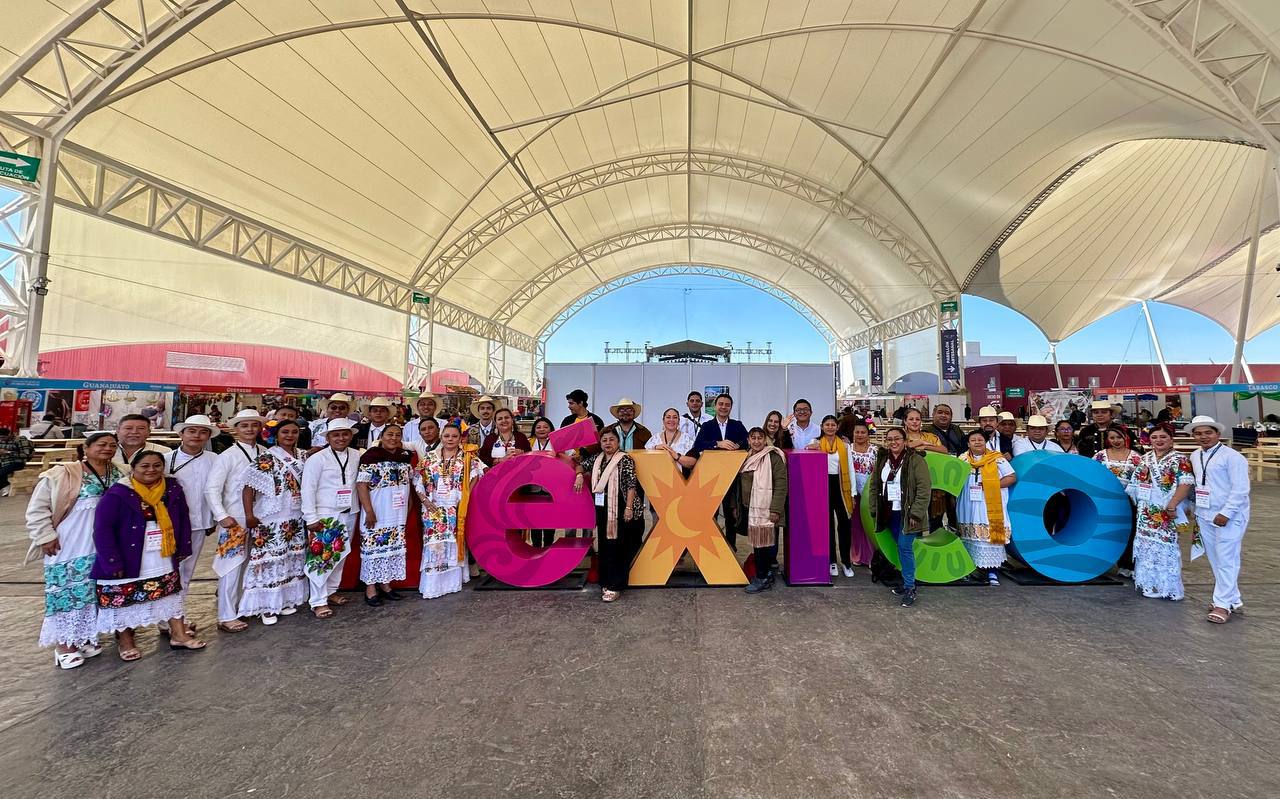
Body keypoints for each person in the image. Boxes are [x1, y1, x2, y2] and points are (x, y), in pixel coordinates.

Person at [92, 450, 206, 660]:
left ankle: (178, 635)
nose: (151, 470)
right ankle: (126, 642)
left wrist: (184, 546)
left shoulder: (171, 488)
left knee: (170, 592)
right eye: (145, 466)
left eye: (157, 465)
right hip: (130, 552)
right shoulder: (118, 493)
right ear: (133, 468)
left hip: (162, 552)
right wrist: (112, 561)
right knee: (123, 597)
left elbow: (183, 517)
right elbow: (103, 529)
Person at [25, 430, 122, 669]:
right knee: (66, 591)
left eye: (112, 445)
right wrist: (45, 536)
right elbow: (38, 508)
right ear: (86, 448)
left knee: (92, 591)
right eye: (101, 444)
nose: (107, 449)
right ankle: (64, 645)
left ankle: (83, 637)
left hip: (102, 542)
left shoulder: (119, 472)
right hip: (69, 541)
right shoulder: (62, 473)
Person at [239, 419, 309, 625]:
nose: (290, 435)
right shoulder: (266, 457)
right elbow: (248, 488)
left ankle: (283, 600)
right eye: (285, 432)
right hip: (271, 517)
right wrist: (249, 515)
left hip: (295, 515)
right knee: (269, 559)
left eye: (294, 432)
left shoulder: (303, 456)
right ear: (276, 435)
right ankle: (266, 607)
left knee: (288, 558)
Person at [204, 408, 268, 633]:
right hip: (235, 518)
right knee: (231, 566)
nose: (250, 429)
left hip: (260, 517)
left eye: (254, 425)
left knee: (252, 563)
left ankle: (243, 605)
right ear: (236, 429)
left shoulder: (264, 452)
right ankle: (226, 615)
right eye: (244, 425)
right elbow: (212, 489)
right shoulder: (228, 456)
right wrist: (221, 516)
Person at [1187, 415, 1250, 623]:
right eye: (1198, 433)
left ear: (1218, 434)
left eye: (1208, 432)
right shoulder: (1195, 455)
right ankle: (1233, 599)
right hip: (1204, 513)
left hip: (1229, 516)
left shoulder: (1233, 457)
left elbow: (1241, 489)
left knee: (1227, 559)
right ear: (1193, 436)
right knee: (1216, 559)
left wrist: (1226, 513)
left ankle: (1222, 605)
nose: (1203, 437)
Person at [164, 414, 219, 638]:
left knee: (186, 572)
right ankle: (167, 618)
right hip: (169, 525)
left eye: (202, 432)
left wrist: (213, 518)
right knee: (166, 571)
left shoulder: (214, 459)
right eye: (192, 431)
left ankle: (176, 618)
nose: (197, 436)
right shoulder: (165, 459)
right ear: (181, 434)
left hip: (198, 523)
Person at [415, 423, 485, 598]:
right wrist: (424, 500)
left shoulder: (467, 457)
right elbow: (417, 480)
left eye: (454, 436)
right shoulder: (430, 457)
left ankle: (451, 583)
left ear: (460, 438)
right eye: (447, 436)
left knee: (453, 543)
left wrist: (465, 497)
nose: (450, 439)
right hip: (432, 508)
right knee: (434, 545)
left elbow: (478, 474)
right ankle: (433, 585)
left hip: (455, 508)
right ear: (441, 437)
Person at [1125, 422, 1193, 601]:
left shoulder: (1180, 459)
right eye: (1154, 437)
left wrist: (1173, 504)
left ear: (1171, 439)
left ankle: (1168, 587)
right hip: (1146, 509)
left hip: (1166, 510)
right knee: (1146, 546)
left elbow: (1185, 483)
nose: (1158, 440)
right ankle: (1149, 583)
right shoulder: (1145, 458)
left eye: (1163, 437)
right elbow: (1134, 483)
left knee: (1166, 546)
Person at [300, 418, 361, 618]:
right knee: (321, 557)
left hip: (350, 512)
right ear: (328, 438)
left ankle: (331, 591)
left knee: (340, 555)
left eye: (345, 434)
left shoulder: (356, 455)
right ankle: (318, 601)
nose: (341, 438)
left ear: (351, 436)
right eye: (336, 435)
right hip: (325, 514)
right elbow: (307, 489)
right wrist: (311, 518)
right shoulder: (317, 459)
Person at [865, 427, 932, 607]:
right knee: (900, 548)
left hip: (907, 514)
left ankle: (910, 587)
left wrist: (916, 513)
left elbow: (924, 489)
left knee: (904, 547)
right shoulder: (883, 460)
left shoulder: (916, 460)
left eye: (897, 438)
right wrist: (874, 509)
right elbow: (874, 486)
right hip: (889, 513)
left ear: (905, 441)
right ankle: (906, 581)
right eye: (889, 439)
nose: (893, 442)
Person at [574, 428, 641, 603]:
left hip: (621, 508)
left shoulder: (624, 459)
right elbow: (580, 465)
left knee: (618, 547)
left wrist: (628, 508)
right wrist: (579, 475)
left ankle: (615, 585)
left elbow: (631, 485)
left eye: (612, 439)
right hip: (603, 508)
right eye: (604, 440)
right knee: (604, 546)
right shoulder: (597, 458)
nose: (608, 443)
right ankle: (606, 580)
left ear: (618, 442)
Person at [355, 424, 414, 607]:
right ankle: (370, 588)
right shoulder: (371, 457)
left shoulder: (404, 457)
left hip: (397, 512)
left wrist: (409, 506)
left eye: (397, 435)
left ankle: (385, 584)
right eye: (389, 434)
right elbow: (362, 484)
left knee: (392, 548)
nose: (393, 438)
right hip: (377, 510)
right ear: (381, 436)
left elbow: (408, 484)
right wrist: (369, 511)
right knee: (373, 548)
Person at [957, 429, 1017, 585]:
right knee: (969, 536)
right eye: (973, 440)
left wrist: (991, 485)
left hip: (989, 504)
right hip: (968, 504)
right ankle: (970, 570)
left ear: (986, 442)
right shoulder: (962, 459)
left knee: (990, 538)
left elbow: (1011, 477)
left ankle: (992, 572)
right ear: (968, 443)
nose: (977, 442)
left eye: (980, 440)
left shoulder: (997, 458)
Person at [691, 393, 750, 549]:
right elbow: (698, 445)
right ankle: (711, 546)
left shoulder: (737, 425)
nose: (724, 407)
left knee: (731, 514)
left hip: (731, 477)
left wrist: (738, 445)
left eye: (727, 405)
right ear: (715, 406)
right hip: (711, 477)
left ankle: (730, 547)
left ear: (731, 407)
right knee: (712, 513)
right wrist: (717, 443)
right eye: (721, 404)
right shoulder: (707, 426)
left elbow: (747, 441)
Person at [739, 427, 788, 594]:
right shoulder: (746, 457)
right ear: (748, 440)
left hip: (767, 509)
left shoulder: (773, 456)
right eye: (753, 438)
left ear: (765, 439)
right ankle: (766, 574)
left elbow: (781, 484)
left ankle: (761, 578)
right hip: (752, 508)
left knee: (763, 545)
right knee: (759, 544)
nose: (756, 441)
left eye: (760, 438)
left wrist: (776, 509)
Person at [807, 414, 855, 577]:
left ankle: (846, 562)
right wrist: (810, 448)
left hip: (841, 486)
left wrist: (853, 492)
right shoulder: (815, 443)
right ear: (822, 427)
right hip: (823, 486)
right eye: (827, 424)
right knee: (827, 526)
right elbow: (808, 458)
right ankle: (831, 561)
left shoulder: (845, 446)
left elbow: (850, 468)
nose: (830, 427)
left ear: (837, 427)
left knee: (844, 524)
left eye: (833, 424)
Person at [1092, 423, 1143, 578]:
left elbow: (1143, 478)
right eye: (1112, 438)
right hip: (1105, 500)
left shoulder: (1136, 457)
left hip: (1128, 500)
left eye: (1119, 437)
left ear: (1125, 437)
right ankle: (1100, 562)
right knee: (1105, 530)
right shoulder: (1100, 455)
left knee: (1127, 531)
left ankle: (1127, 564)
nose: (1116, 441)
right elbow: (1091, 474)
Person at [847, 420, 878, 566]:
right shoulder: (847, 449)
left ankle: (871, 556)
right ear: (853, 434)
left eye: (863, 432)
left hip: (869, 494)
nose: (860, 435)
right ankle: (857, 555)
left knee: (870, 525)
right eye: (857, 432)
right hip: (852, 494)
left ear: (868, 434)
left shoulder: (875, 450)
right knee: (855, 525)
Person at [527, 417, 561, 548]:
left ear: (551, 429)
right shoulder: (529, 442)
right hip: (533, 487)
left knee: (550, 519)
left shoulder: (557, 442)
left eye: (545, 427)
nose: (542, 429)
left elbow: (568, 456)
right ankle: (536, 547)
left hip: (551, 488)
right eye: (538, 427)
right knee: (534, 519)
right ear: (534, 430)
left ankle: (548, 545)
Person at [645, 408, 696, 472]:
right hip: (657, 476)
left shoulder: (687, 439)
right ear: (663, 420)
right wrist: (655, 448)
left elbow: (693, 463)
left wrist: (677, 456)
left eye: (675, 417)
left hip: (681, 477)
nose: (671, 420)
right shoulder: (654, 439)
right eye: (668, 417)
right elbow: (644, 459)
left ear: (679, 421)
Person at [0, 426, 33, 496]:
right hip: (3, 461)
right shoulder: (1, 441)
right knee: (2, 471)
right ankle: (5, 485)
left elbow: (26, 454)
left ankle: (5, 486)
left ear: (9, 435)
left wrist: (7, 452)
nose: (1, 439)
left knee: (2, 472)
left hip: (17, 462)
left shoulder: (20, 440)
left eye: (3, 437)